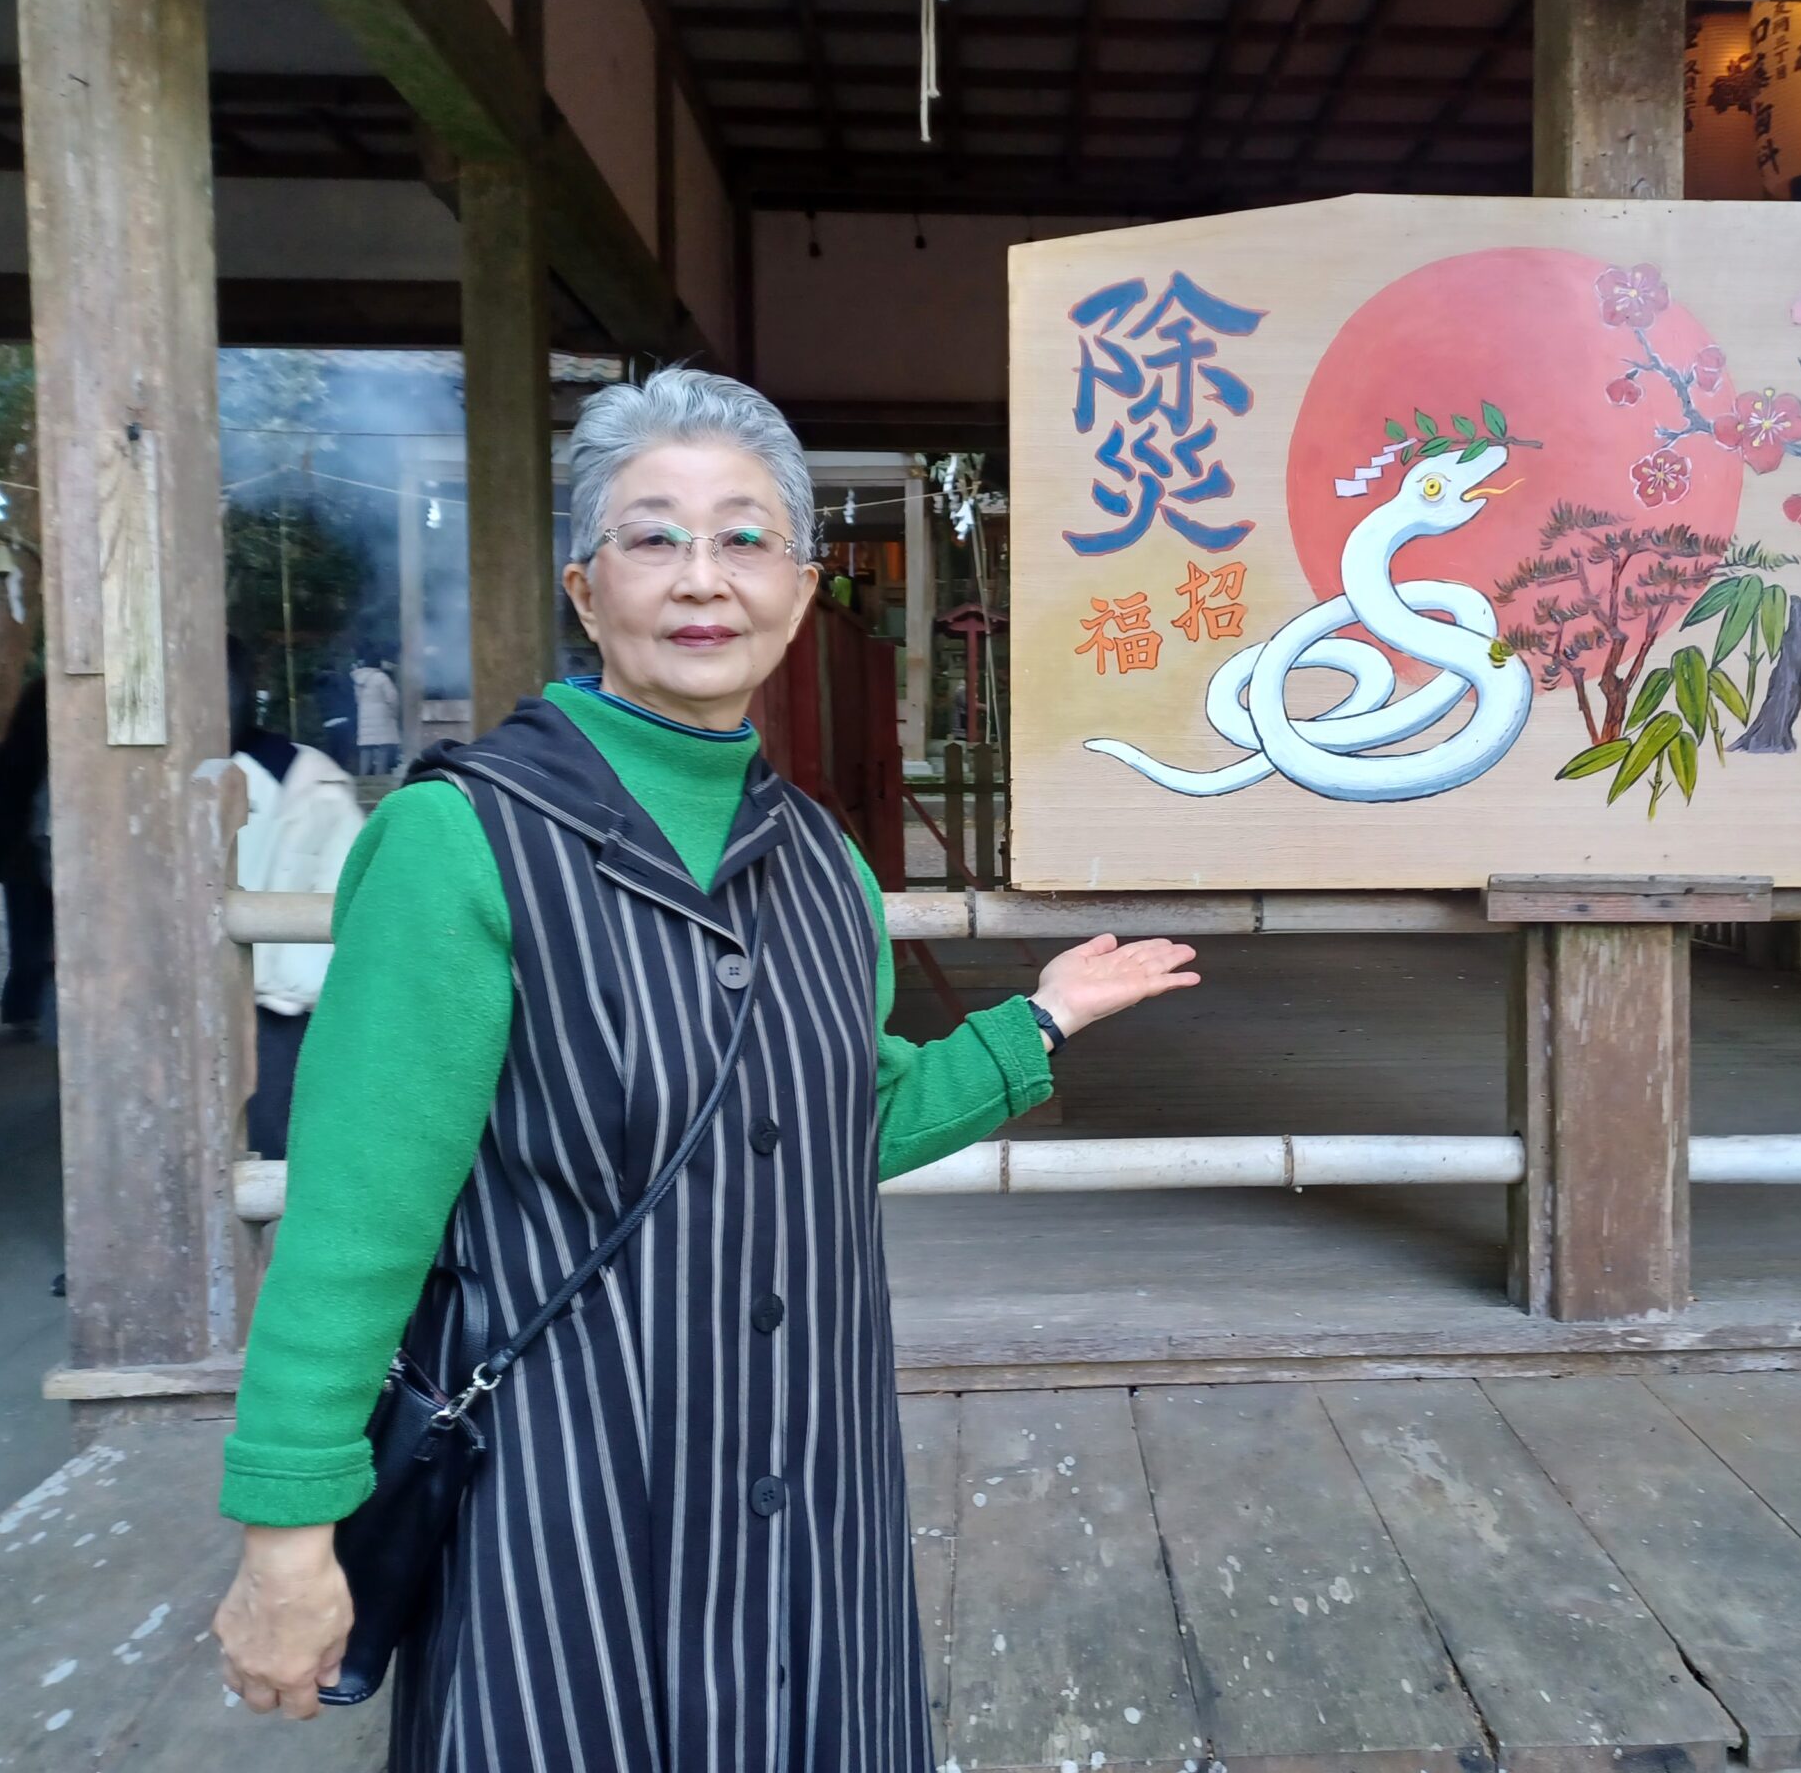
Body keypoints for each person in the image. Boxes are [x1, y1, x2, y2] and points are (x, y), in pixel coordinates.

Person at [212, 369, 1200, 1763]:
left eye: (745, 538)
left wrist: (1034, 1026)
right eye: (654, 535)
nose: (702, 576)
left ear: (800, 591)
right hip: (563, 1500)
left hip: (814, 1494)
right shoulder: (462, 844)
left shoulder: (820, 865)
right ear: (586, 585)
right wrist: (287, 1524)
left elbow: (832, 1119)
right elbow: (353, 1225)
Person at [229, 640, 367, 1161]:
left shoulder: (299, 784)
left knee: (269, 1125)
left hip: (277, 995)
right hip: (296, 989)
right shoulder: (316, 776)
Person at [0, 678, 51, 1039]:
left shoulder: (5, 754)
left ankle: (22, 1010)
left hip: (15, 859)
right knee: (54, 938)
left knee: (26, 940)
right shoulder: (58, 753)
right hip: (48, 855)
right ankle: (45, 1008)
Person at [351, 657, 400, 776]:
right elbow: (392, 698)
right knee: (382, 749)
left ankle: (362, 779)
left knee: (366, 748)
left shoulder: (358, 679)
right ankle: (380, 778)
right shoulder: (381, 678)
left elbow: (357, 700)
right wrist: (394, 713)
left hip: (364, 716)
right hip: (382, 717)